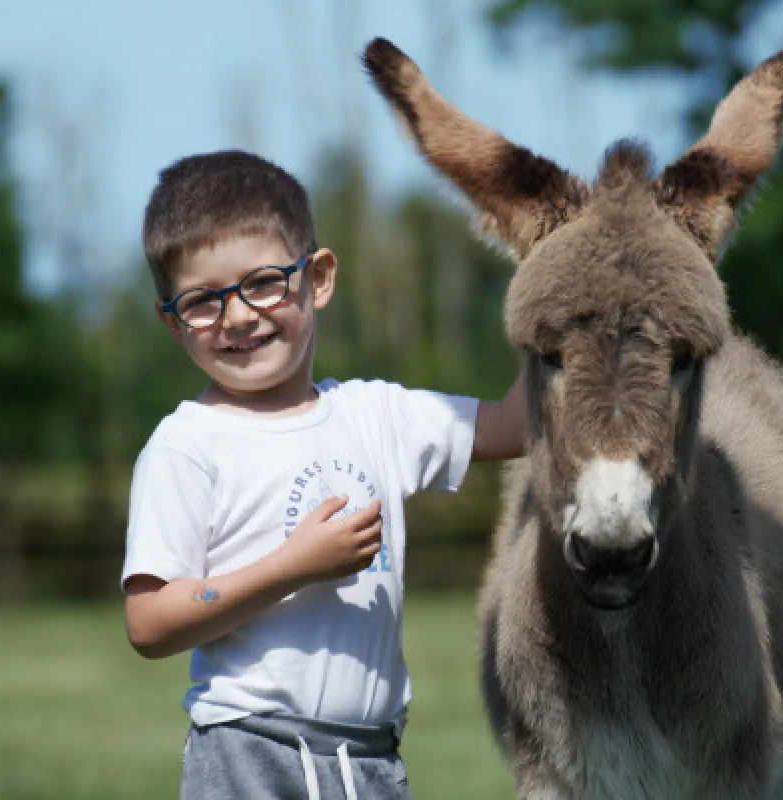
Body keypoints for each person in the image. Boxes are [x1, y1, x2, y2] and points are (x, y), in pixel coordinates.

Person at [121, 149, 525, 800]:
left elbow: (517, 425)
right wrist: (294, 566)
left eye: (262, 282)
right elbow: (149, 621)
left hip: (371, 760)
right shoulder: (186, 446)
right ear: (172, 322)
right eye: (202, 301)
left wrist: (573, 295)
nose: (239, 316)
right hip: (250, 753)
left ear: (320, 278)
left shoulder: (377, 415)